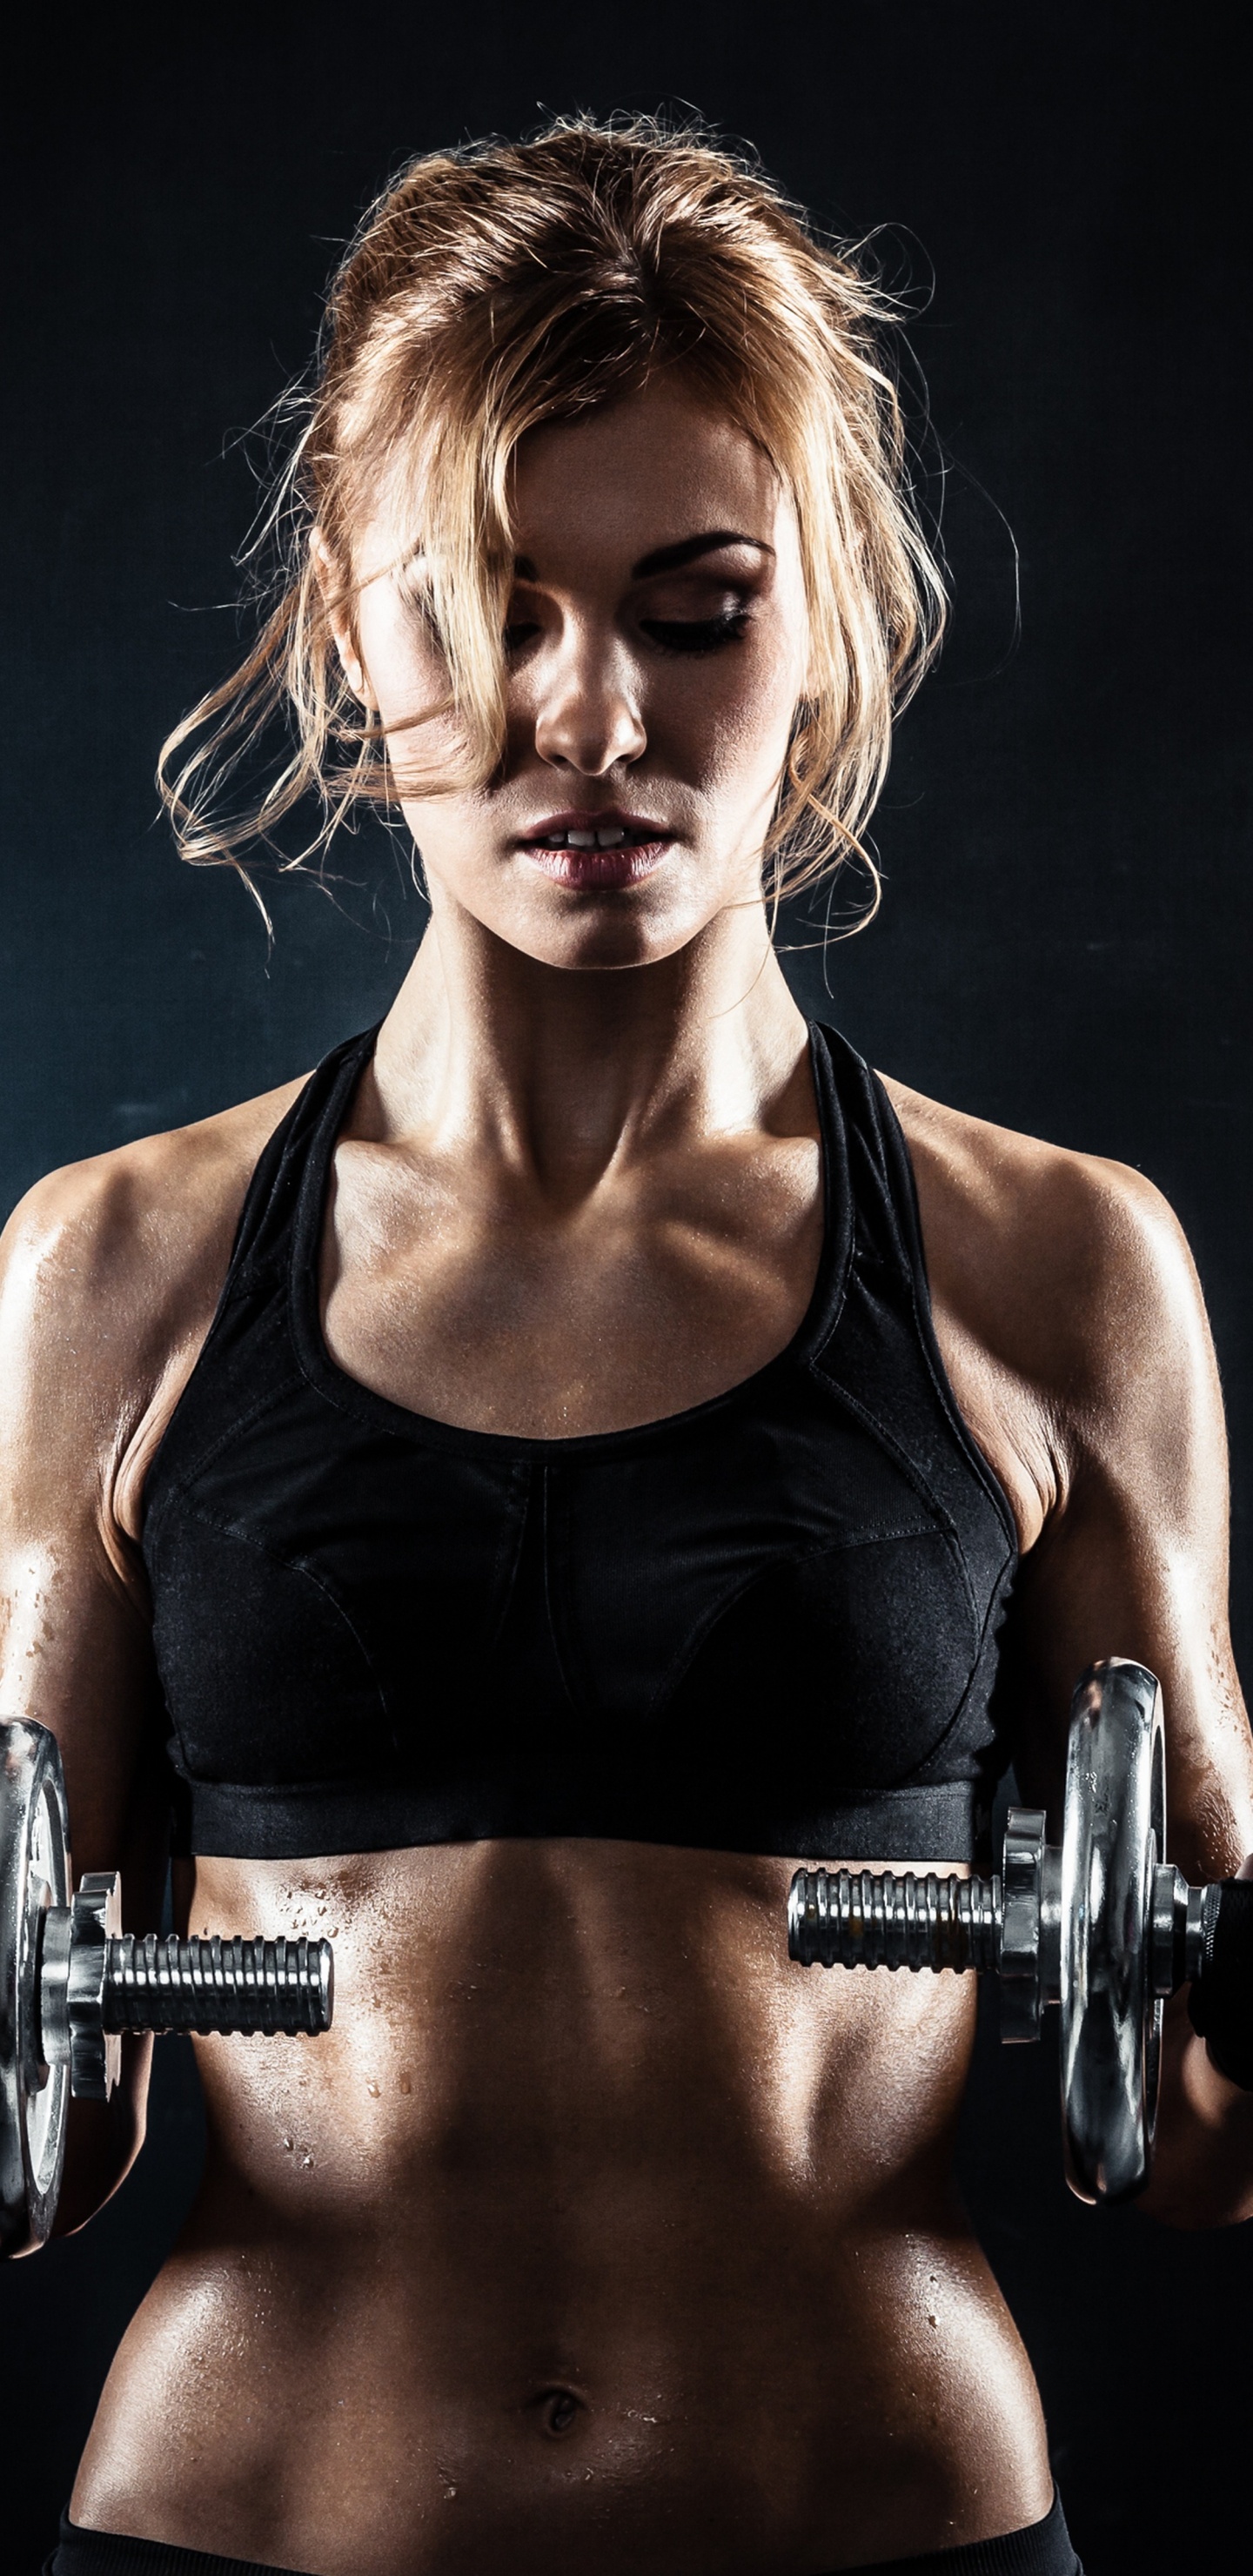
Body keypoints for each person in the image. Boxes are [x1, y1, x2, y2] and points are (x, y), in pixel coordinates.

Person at [3, 117, 1251, 2576]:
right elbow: (45, 2146)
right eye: (489, 607)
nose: (591, 712)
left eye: (695, 609)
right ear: (355, 632)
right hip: (250, 2525)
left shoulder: (1058, 1273)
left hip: (881, 2523)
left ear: (832, 626)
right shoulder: (112, 1277)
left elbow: (1200, 2142)